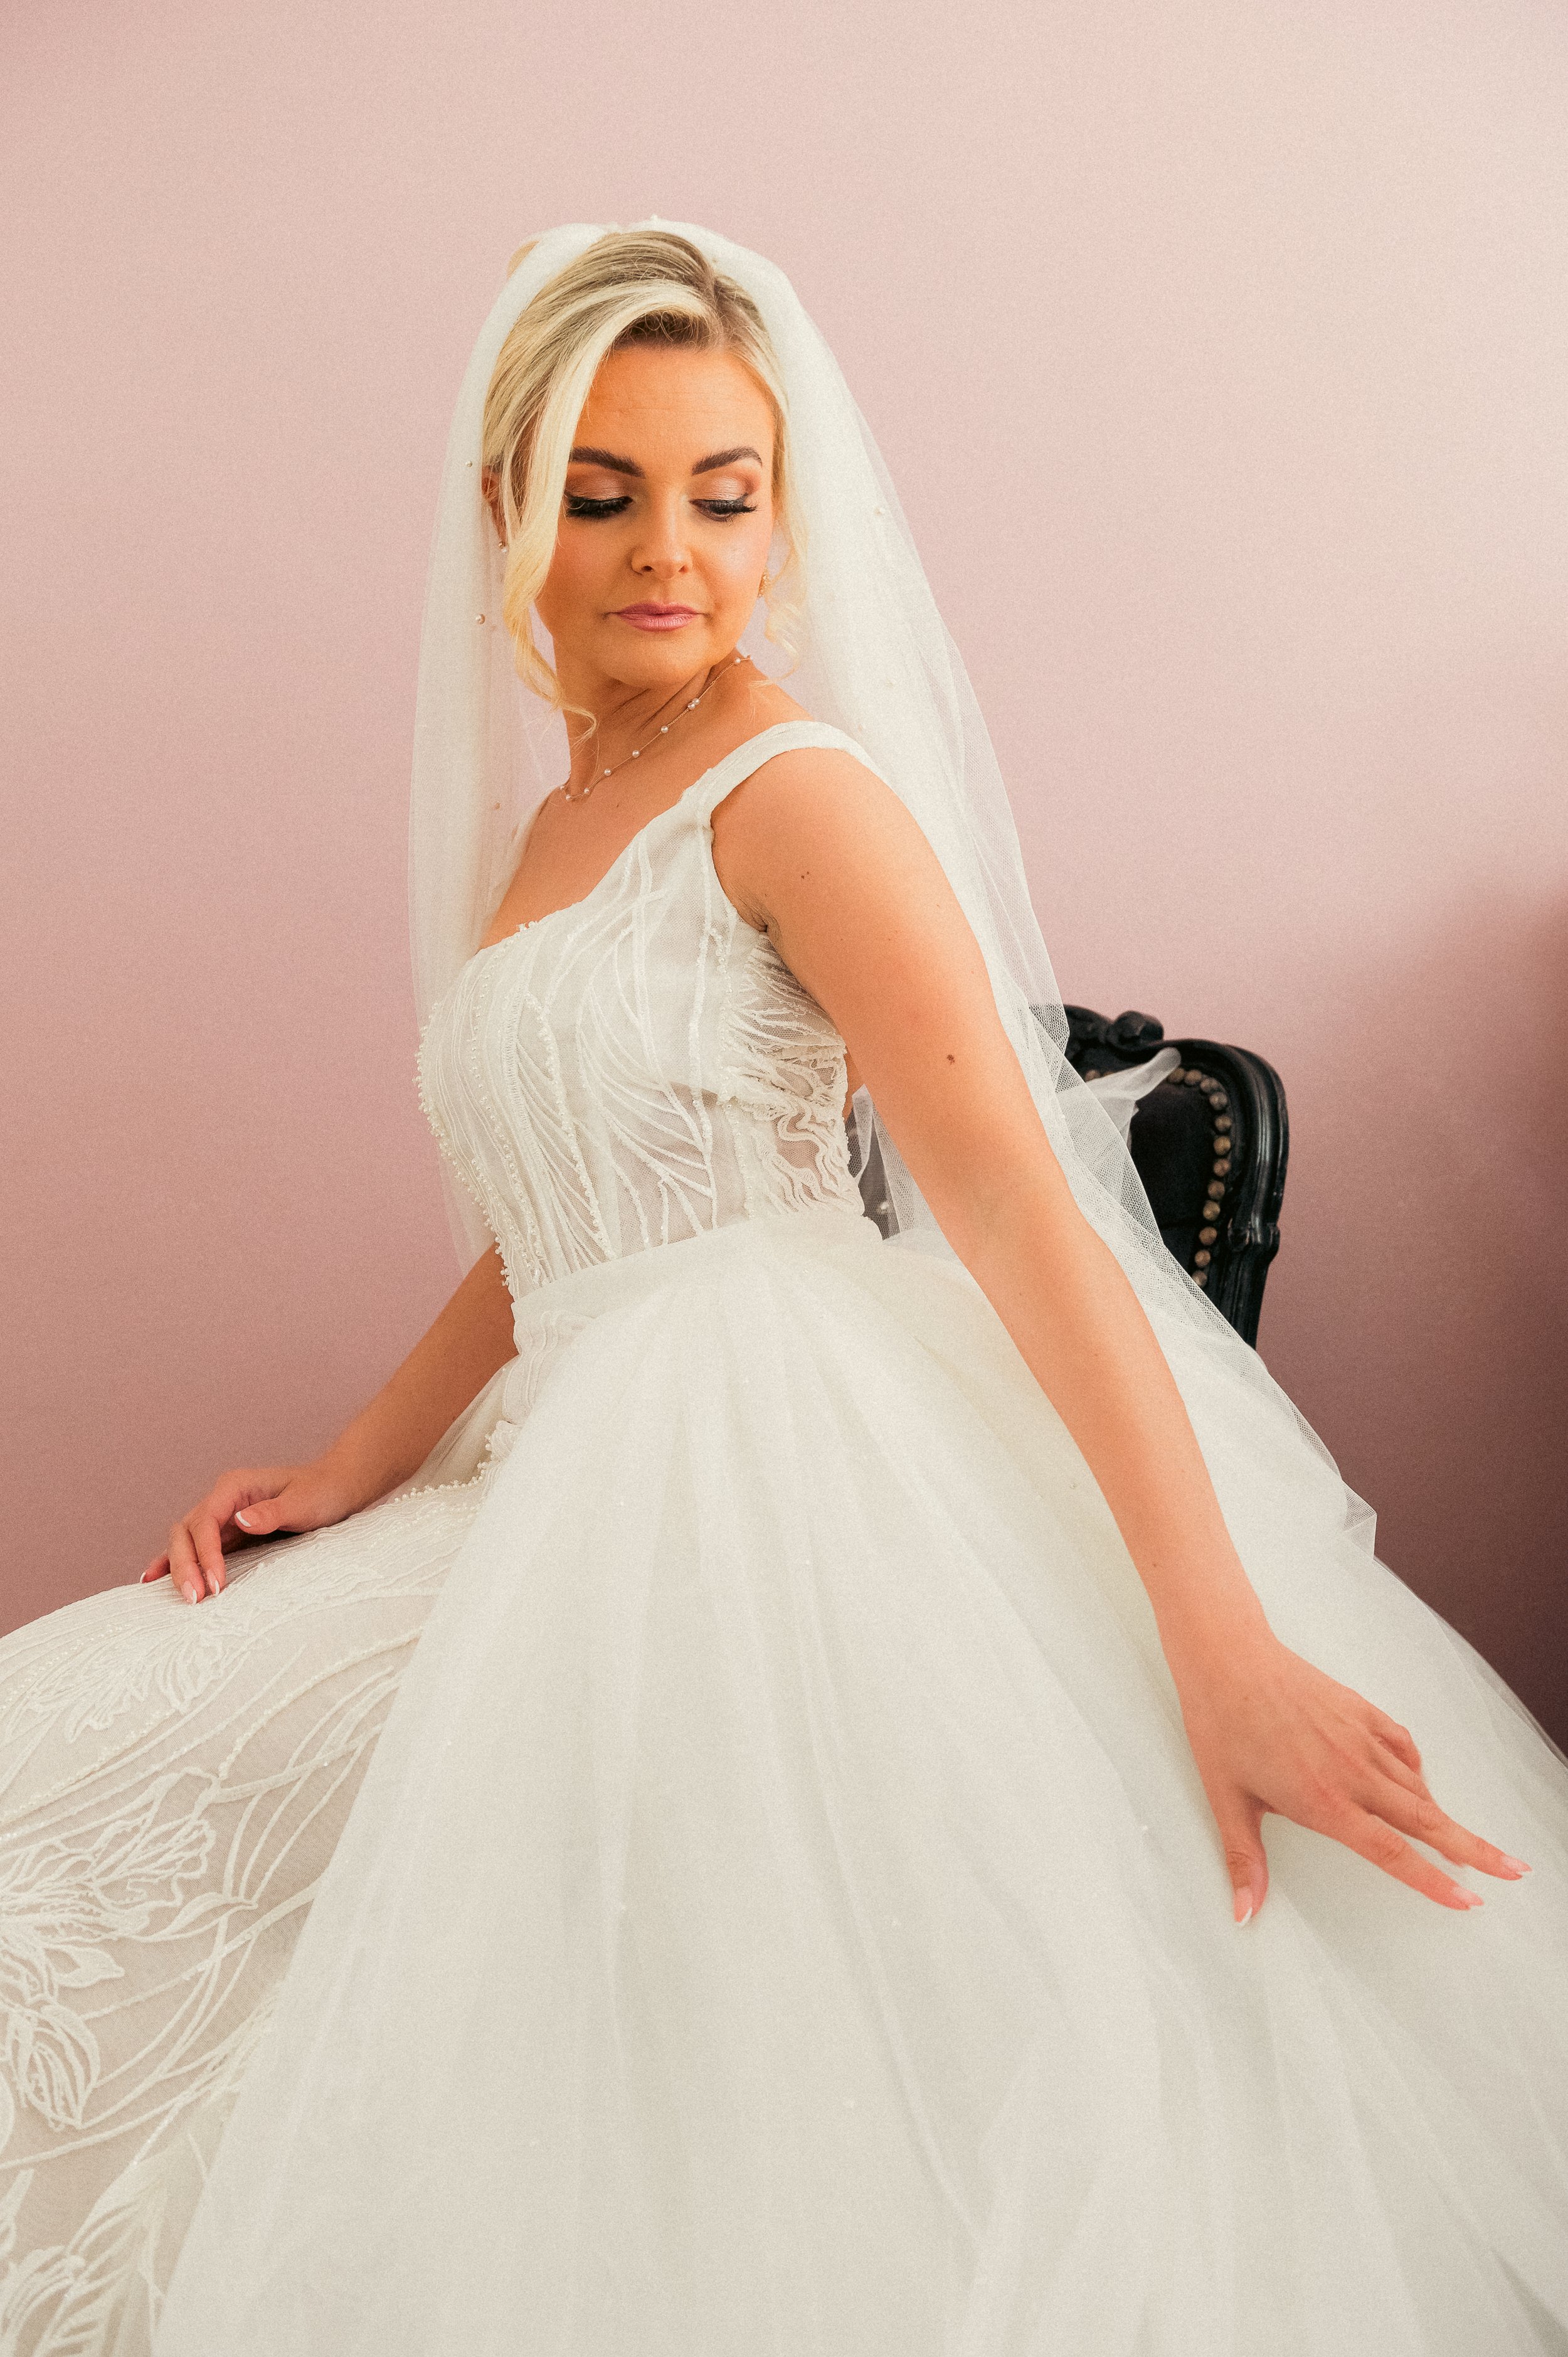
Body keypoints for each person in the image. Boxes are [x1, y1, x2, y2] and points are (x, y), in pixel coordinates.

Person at [1, 221, 1564, 2357]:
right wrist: (352, 1463)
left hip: (777, 1456)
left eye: (723, 495)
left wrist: (1223, 1649)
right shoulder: (566, 811)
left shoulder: (791, 796)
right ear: (507, 514)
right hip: (567, 1443)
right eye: (602, 490)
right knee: (87, 1745)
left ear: (781, 516)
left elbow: (1016, 1205)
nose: (669, 551)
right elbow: (550, 1213)